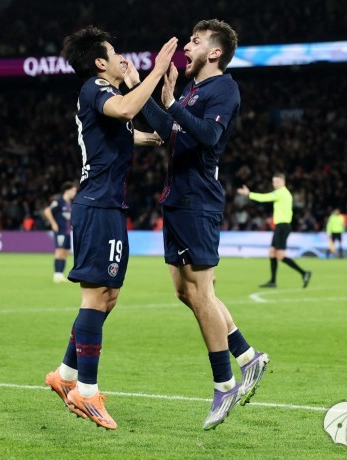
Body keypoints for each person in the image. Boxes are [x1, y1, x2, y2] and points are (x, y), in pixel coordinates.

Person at [130, 19, 269, 430]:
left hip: (198, 200)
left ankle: (224, 384)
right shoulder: (191, 90)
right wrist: (139, 86)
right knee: (185, 292)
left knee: (202, 293)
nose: (186, 47)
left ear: (215, 52)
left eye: (194, 41)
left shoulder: (223, 88)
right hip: (177, 198)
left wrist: (172, 104)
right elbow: (168, 131)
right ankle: (248, 356)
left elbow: (208, 136)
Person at [44, 26, 177, 430]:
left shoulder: (107, 95)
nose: (122, 58)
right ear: (100, 62)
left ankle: (65, 375)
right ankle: (86, 392)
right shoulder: (96, 88)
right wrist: (155, 73)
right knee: (95, 296)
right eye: (115, 52)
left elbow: (125, 130)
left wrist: (148, 134)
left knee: (108, 296)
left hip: (109, 206)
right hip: (97, 206)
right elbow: (123, 111)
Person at [237, 173, 312, 288]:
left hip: (283, 227)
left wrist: (249, 194)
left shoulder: (281, 193)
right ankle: (273, 281)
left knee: (280, 256)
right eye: (273, 182)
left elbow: (264, 198)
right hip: (280, 226)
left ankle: (304, 273)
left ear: (283, 182)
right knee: (272, 253)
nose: (275, 184)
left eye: (277, 181)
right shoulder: (284, 193)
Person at [43, 181, 78, 283]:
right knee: (59, 252)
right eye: (73, 191)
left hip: (68, 232)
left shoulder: (71, 204)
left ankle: (61, 274)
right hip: (60, 231)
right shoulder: (59, 201)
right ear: (67, 191)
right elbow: (47, 211)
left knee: (65, 253)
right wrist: (53, 223)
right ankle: (56, 274)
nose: (75, 193)